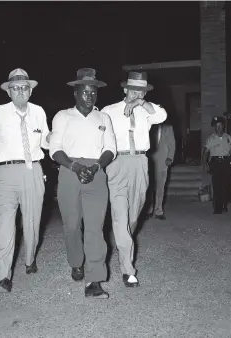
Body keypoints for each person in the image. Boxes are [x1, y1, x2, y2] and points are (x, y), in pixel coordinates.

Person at [49, 68, 116, 299]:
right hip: (69, 170)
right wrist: (75, 166)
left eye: (94, 92)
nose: (90, 96)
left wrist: (96, 167)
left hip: (97, 172)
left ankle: (94, 280)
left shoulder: (103, 118)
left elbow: (110, 149)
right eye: (85, 92)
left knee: (95, 228)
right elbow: (55, 149)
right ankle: (76, 261)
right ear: (75, 93)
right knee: (72, 225)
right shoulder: (62, 116)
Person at [0, 68, 50, 293]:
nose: (20, 91)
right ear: (8, 92)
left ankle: (30, 260)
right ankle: (4, 276)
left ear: (30, 91)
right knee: (6, 226)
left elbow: (47, 142)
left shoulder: (39, 112)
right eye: (15, 88)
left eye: (24, 87)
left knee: (32, 222)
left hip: (33, 170)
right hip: (6, 173)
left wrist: (61, 136)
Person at [101, 71, 167, 287]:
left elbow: (162, 116)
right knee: (120, 217)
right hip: (117, 163)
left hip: (140, 162)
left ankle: (124, 244)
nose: (136, 93)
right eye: (133, 89)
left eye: (141, 90)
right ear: (124, 89)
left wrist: (141, 103)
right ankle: (128, 270)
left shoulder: (147, 111)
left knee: (132, 218)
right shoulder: (109, 111)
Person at [202, 116, 231, 214]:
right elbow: (205, 153)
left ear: (223, 126)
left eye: (220, 125)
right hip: (215, 163)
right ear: (214, 127)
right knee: (217, 185)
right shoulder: (211, 139)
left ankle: (224, 204)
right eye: (216, 126)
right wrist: (205, 164)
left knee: (227, 185)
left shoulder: (228, 137)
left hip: (226, 162)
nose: (218, 128)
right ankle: (217, 207)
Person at [146, 123, 175, 220]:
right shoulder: (147, 125)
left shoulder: (168, 127)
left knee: (160, 186)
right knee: (148, 186)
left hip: (162, 160)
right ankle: (148, 210)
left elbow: (172, 143)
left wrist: (170, 157)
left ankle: (158, 211)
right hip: (149, 159)